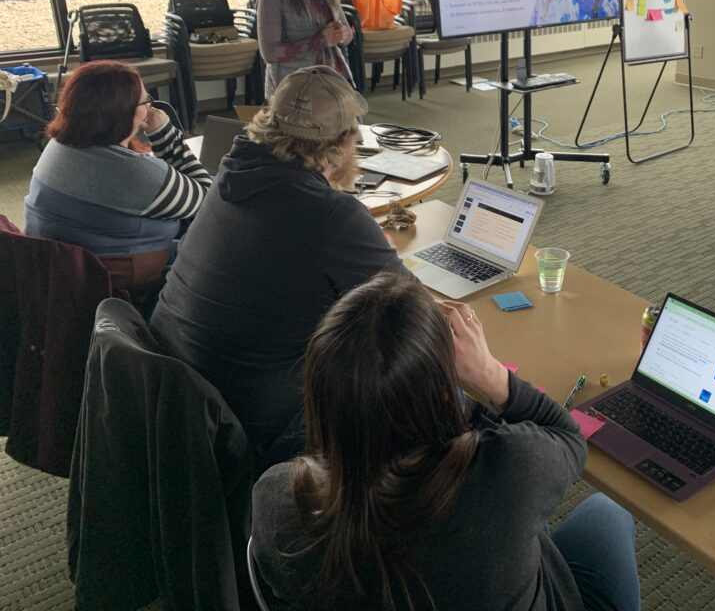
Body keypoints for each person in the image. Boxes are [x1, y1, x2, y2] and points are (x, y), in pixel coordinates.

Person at [251, 272, 641, 611]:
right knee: (609, 510)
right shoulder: (505, 474)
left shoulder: (273, 497)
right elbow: (568, 440)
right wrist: (489, 375)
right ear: (441, 395)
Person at [150, 66, 404, 469]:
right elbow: (410, 312)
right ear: (344, 143)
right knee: (402, 381)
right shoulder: (333, 216)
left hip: (180, 396)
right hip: (257, 424)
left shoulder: (230, 177)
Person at [24, 60, 210, 297]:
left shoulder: (59, 146)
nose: (150, 107)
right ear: (122, 114)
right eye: (145, 101)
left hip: (62, 270)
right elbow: (207, 203)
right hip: (118, 281)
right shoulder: (135, 173)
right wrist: (164, 134)